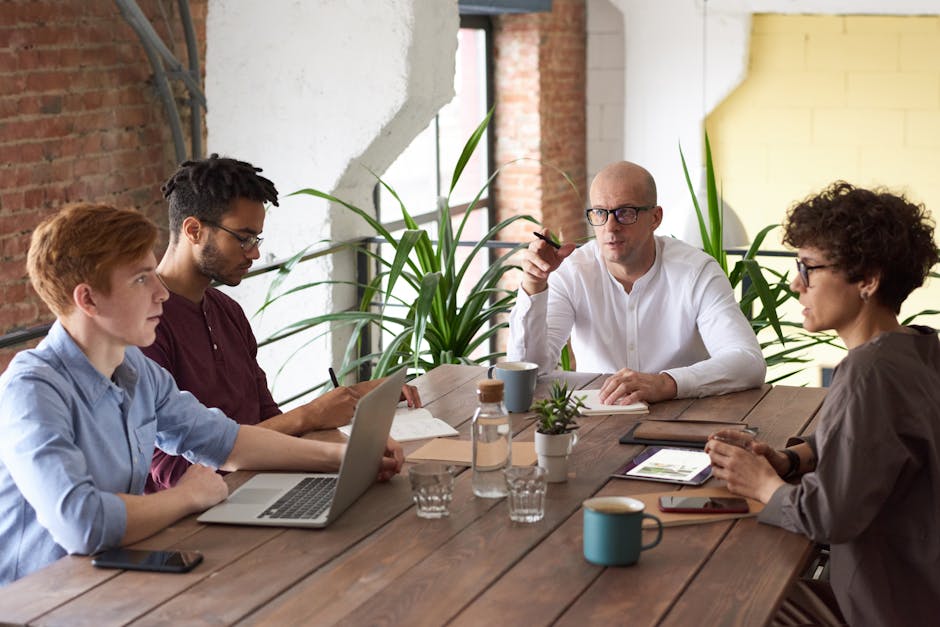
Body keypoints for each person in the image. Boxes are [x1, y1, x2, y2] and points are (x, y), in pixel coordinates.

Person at [0, 203, 404, 585]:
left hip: (113, 580)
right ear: (87, 299)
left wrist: (348, 458)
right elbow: (82, 524)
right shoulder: (31, 390)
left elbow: (225, 440)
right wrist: (188, 496)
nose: (161, 293)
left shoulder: (136, 370)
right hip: (39, 603)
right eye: (141, 279)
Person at [706, 182, 940, 626]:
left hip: (886, 606)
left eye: (808, 267)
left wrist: (761, 484)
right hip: (921, 589)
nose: (796, 283)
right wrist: (791, 460)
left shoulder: (868, 372)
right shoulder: (919, 349)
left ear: (867, 280)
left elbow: (827, 516)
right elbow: (877, 439)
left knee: (731, 597)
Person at [144, 154, 419, 492]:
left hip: (262, 486)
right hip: (197, 520)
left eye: (256, 239)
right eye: (243, 238)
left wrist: (352, 423)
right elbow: (172, 475)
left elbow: (266, 418)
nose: (254, 253)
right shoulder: (146, 326)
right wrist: (311, 416)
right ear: (193, 230)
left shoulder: (227, 311)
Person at [507, 160, 765, 405]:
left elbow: (748, 361)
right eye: (600, 212)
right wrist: (533, 284)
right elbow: (529, 372)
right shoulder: (573, 272)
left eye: (625, 213)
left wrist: (665, 384)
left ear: (655, 218)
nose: (610, 227)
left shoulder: (697, 272)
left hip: (681, 416)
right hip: (597, 419)